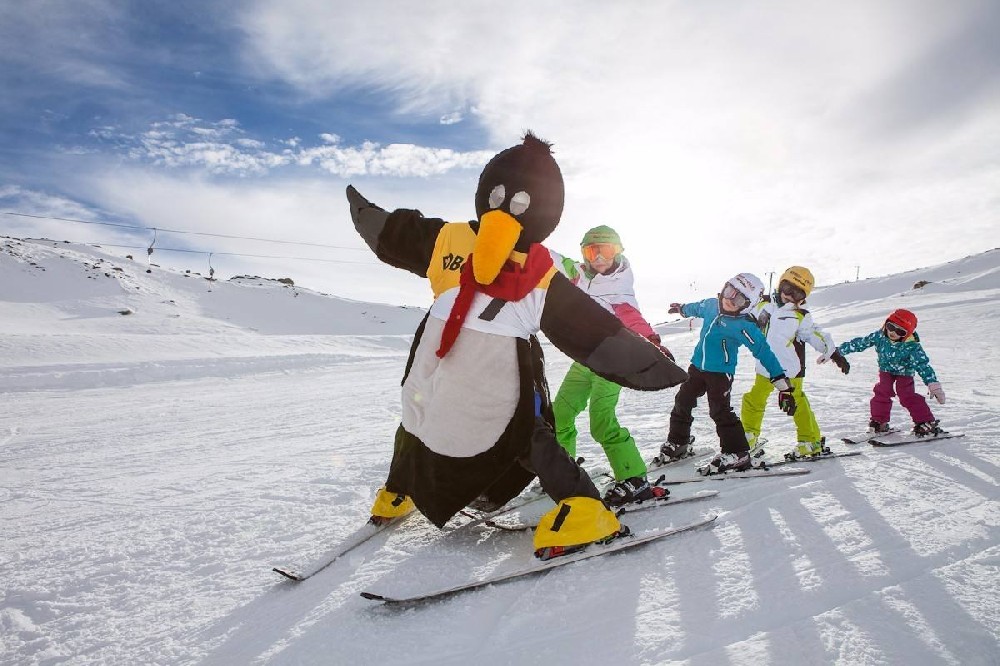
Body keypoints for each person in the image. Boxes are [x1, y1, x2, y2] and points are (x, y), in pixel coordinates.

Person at [346, 133, 687, 560]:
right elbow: (397, 234)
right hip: (439, 362)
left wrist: (646, 360)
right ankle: (402, 488)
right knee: (415, 419)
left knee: (524, 434)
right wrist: (370, 218)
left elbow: (589, 327)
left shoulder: (539, 268)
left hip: (502, 369)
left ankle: (584, 507)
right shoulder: (449, 238)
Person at [552, 225, 675, 507]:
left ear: (617, 252)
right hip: (583, 359)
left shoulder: (619, 288)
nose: (598, 258)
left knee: (601, 421)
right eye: (591, 251)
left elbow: (634, 320)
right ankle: (561, 471)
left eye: (605, 250)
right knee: (559, 415)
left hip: (611, 363)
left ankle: (634, 479)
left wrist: (654, 342)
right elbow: (554, 260)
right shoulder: (579, 276)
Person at [658, 273, 797, 474]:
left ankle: (738, 452)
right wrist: (682, 308)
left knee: (719, 411)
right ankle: (679, 443)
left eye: (739, 299)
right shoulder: (711, 305)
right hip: (697, 368)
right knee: (682, 400)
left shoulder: (743, 325)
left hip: (720, 374)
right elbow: (696, 307)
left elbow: (763, 352)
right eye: (729, 291)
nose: (730, 299)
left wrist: (781, 383)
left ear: (748, 305)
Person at [740, 266, 850, 460]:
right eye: (787, 288)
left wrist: (833, 352)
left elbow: (814, 334)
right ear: (780, 284)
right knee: (753, 400)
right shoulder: (762, 305)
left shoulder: (800, 316)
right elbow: (741, 314)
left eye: (797, 293)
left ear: (803, 297)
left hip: (790, 370)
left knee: (797, 403)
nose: (789, 296)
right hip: (765, 367)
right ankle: (748, 436)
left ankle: (810, 441)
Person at [835, 308, 945, 436]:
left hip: (904, 373)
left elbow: (922, 365)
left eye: (900, 331)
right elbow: (861, 343)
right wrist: (838, 352)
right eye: (890, 326)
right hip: (885, 370)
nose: (893, 332)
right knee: (882, 391)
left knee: (906, 395)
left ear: (906, 334)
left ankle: (925, 422)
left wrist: (933, 384)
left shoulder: (912, 346)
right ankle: (879, 421)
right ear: (886, 324)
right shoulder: (880, 336)